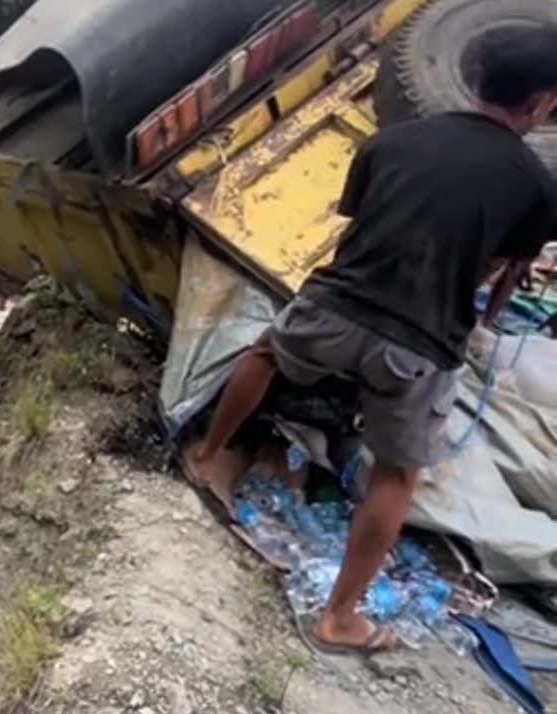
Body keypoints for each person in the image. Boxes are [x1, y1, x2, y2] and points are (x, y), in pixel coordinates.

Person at [185, 24, 557, 654]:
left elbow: (364, 220)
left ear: (474, 78)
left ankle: (205, 457)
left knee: (265, 353)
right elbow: (501, 269)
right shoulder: (539, 187)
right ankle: (339, 619)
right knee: (399, 474)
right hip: (417, 346)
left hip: (334, 307)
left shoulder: (395, 140)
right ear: (542, 103)